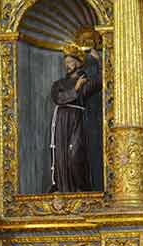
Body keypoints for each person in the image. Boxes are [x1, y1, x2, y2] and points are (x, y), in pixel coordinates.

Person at [49, 45, 101, 193]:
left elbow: (104, 80)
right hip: (61, 121)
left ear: (79, 63)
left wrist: (98, 61)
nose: (67, 66)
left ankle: (81, 188)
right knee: (61, 157)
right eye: (66, 63)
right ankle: (63, 188)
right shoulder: (59, 84)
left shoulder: (86, 81)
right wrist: (76, 89)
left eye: (70, 62)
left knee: (75, 155)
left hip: (77, 121)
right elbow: (58, 98)